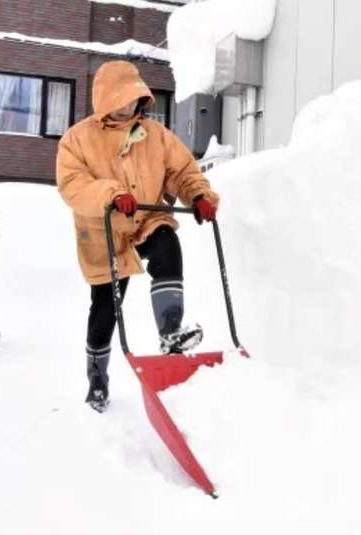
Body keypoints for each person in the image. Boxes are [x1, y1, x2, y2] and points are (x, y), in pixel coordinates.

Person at [56, 60, 219, 412]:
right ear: (104, 100)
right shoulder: (77, 139)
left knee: (167, 246)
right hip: (103, 231)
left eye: (133, 100)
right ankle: (97, 378)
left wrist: (199, 196)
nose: (128, 108)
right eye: (121, 101)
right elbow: (73, 185)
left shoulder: (155, 135)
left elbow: (182, 171)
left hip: (145, 217)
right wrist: (111, 195)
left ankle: (170, 331)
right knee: (106, 307)